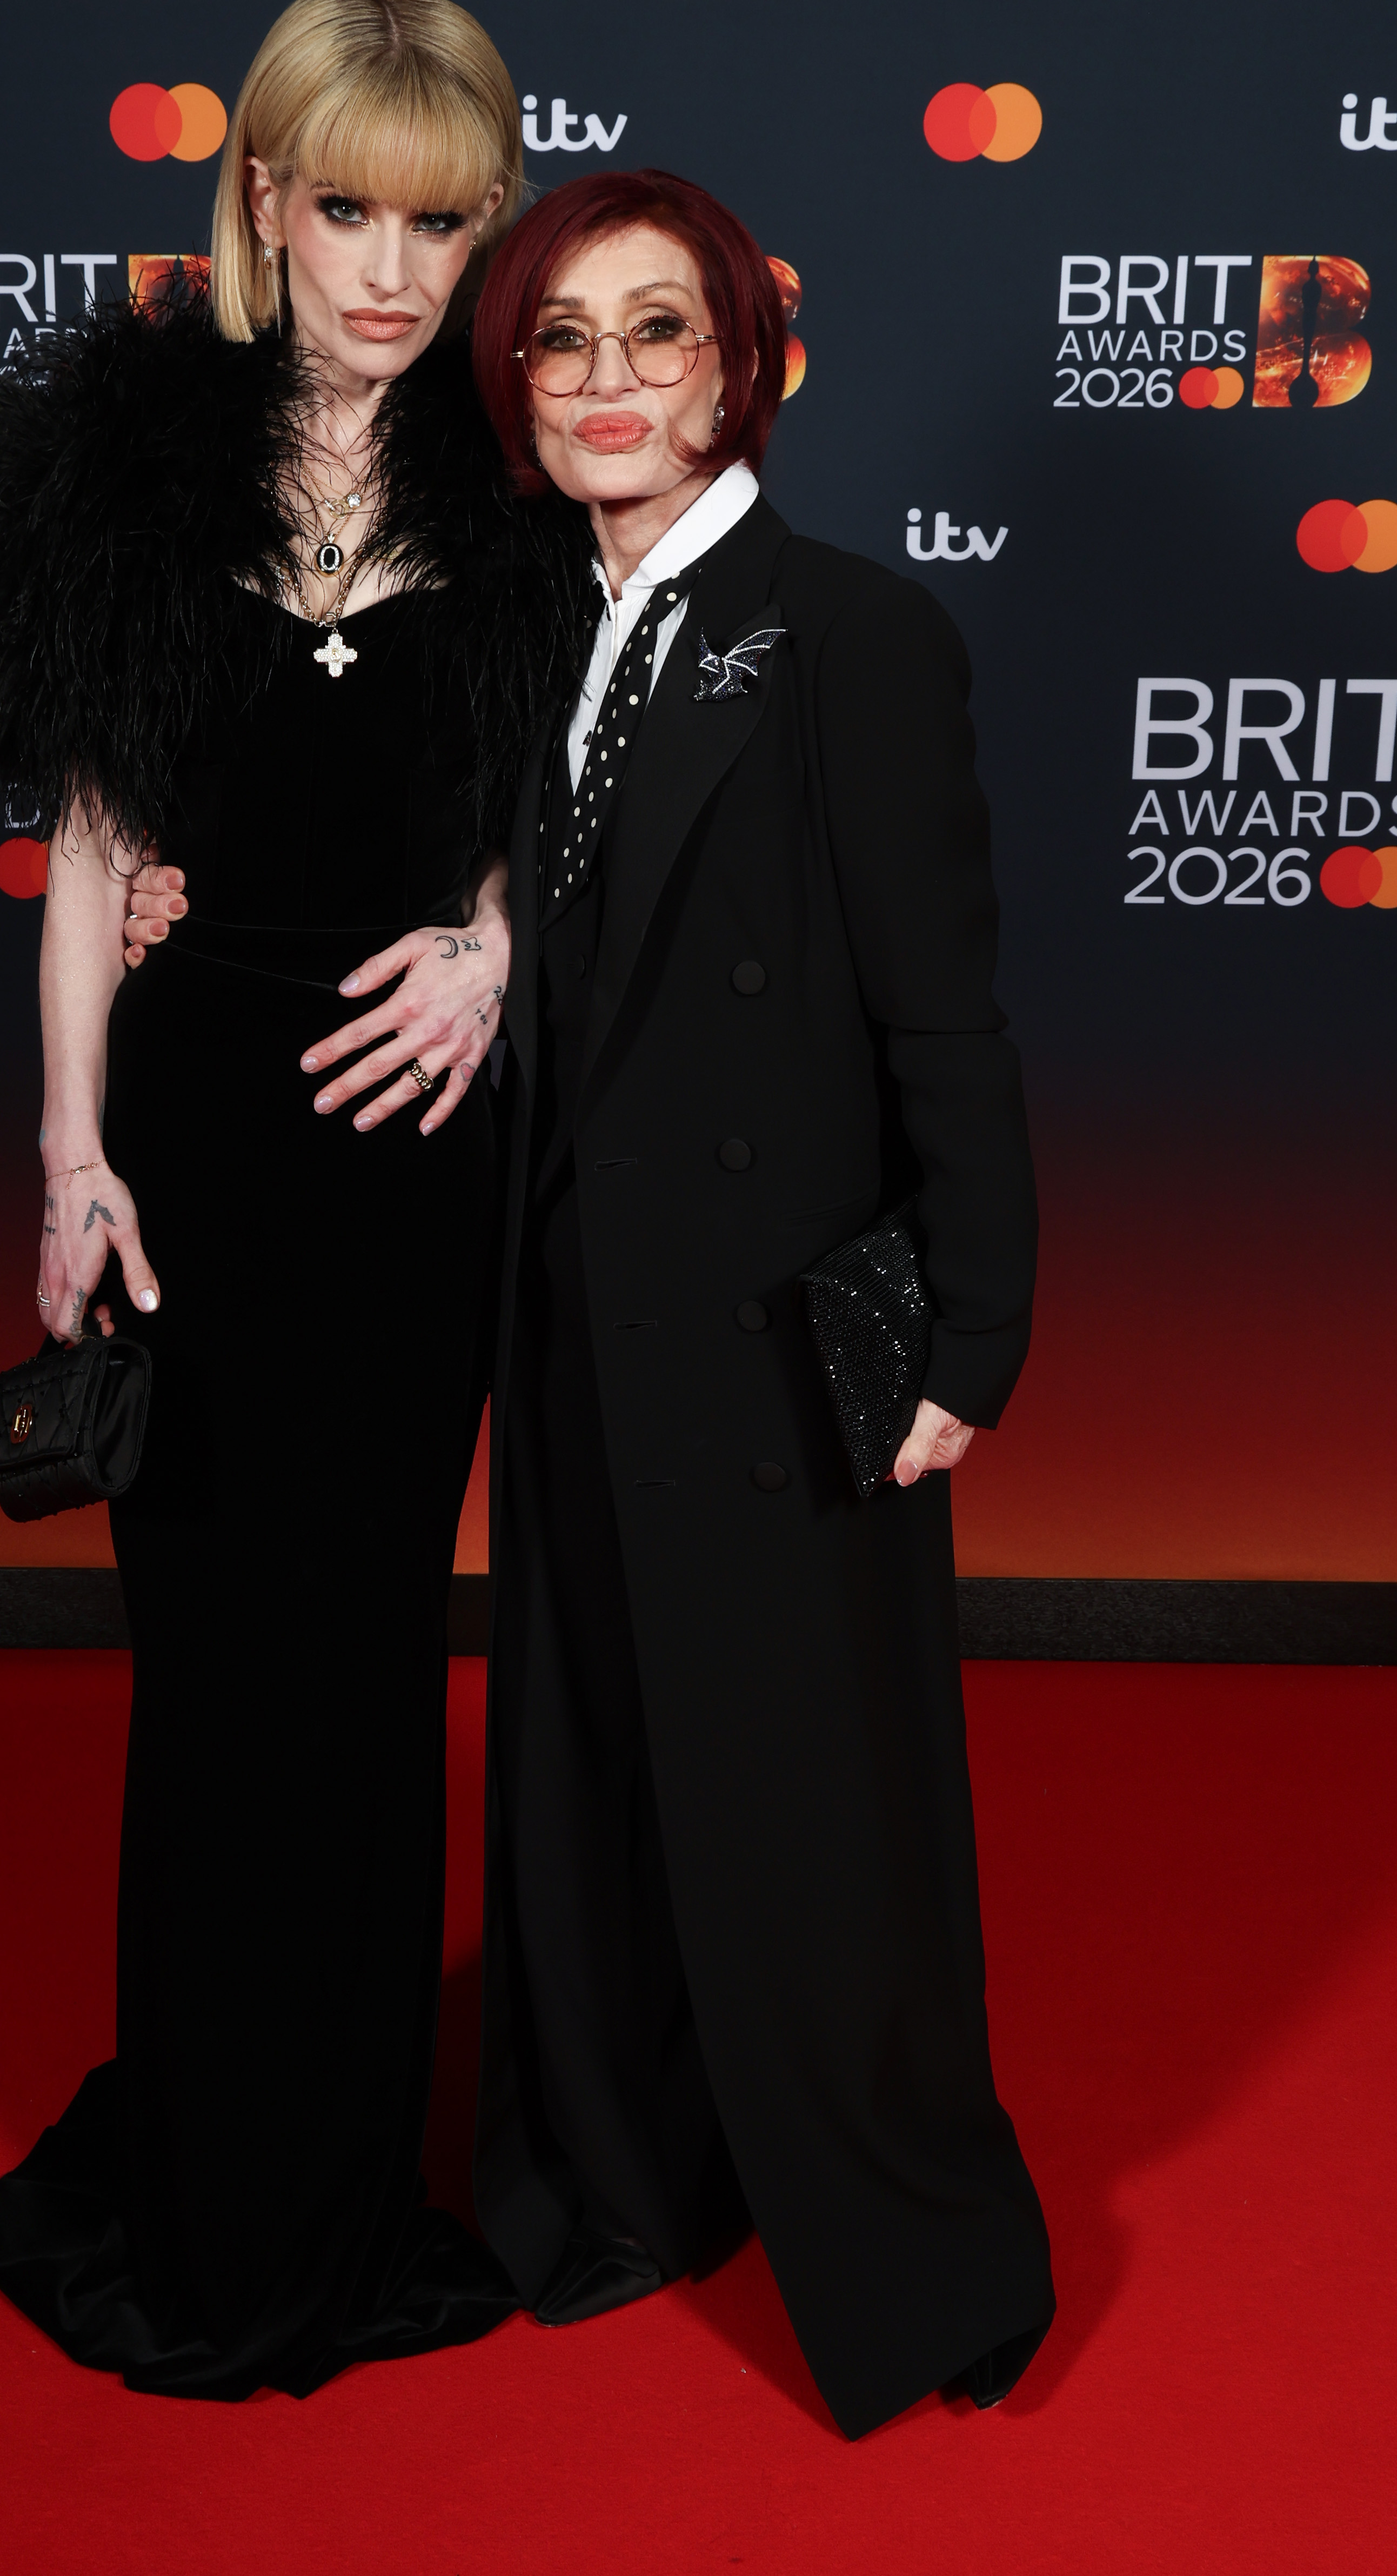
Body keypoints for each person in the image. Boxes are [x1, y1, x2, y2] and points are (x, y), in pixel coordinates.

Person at [0, 0, 586, 2401]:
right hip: (190, 1160)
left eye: (444, 219)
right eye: (352, 213)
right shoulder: (128, 470)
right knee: (209, 1685)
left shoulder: (530, 484)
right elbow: (95, 852)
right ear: (265, 204)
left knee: (364, 1673)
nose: (395, 272)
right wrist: (73, 1154)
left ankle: (329, 2189)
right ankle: (207, 2184)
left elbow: (563, 828)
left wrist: (498, 953)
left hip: (411, 1169)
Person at [463, 169, 1055, 2439]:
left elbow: (946, 1022)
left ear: (740, 365)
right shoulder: (547, 628)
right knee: (598, 1769)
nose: (612, 381)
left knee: (828, 1805)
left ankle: (924, 2246)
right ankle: (627, 2173)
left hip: (793, 1338)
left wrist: (976, 1334)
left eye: (660, 335)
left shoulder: (856, 634)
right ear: (521, 389)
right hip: (578, 1322)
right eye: (566, 343)